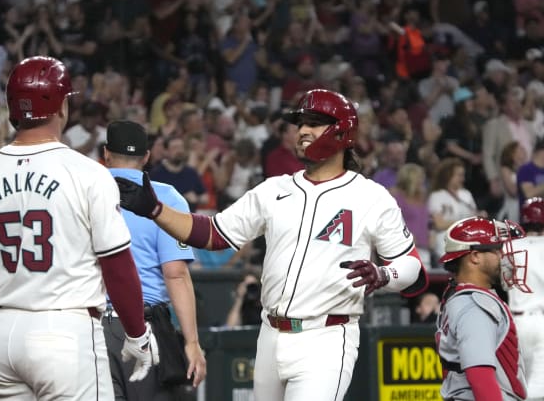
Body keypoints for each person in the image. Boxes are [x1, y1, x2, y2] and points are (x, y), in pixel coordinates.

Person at [115, 88, 429, 400]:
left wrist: (384, 275)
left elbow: (411, 264)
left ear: (342, 132)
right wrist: (156, 210)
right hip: (270, 334)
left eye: (315, 123)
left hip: (327, 336)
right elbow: (213, 233)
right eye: (301, 123)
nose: (303, 130)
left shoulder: (369, 196)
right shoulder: (275, 189)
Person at [0, 56, 159, 400]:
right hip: (65, 333)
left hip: (1, 335)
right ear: (61, 106)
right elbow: (118, 268)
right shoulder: (88, 173)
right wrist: (137, 334)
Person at [102, 119, 206, 400]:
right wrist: (192, 342)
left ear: (106, 154)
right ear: (147, 157)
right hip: (144, 327)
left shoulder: (84, 192)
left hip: (90, 327)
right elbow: (175, 274)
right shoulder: (166, 197)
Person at [436, 216, 529, 401]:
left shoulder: (458, 295)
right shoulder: (474, 306)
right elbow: (480, 377)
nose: (503, 257)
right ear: (475, 256)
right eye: (496, 250)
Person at [509, 197, 544, 400]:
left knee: (516, 385)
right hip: (540, 321)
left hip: (515, 323)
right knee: (539, 390)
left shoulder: (509, 247)